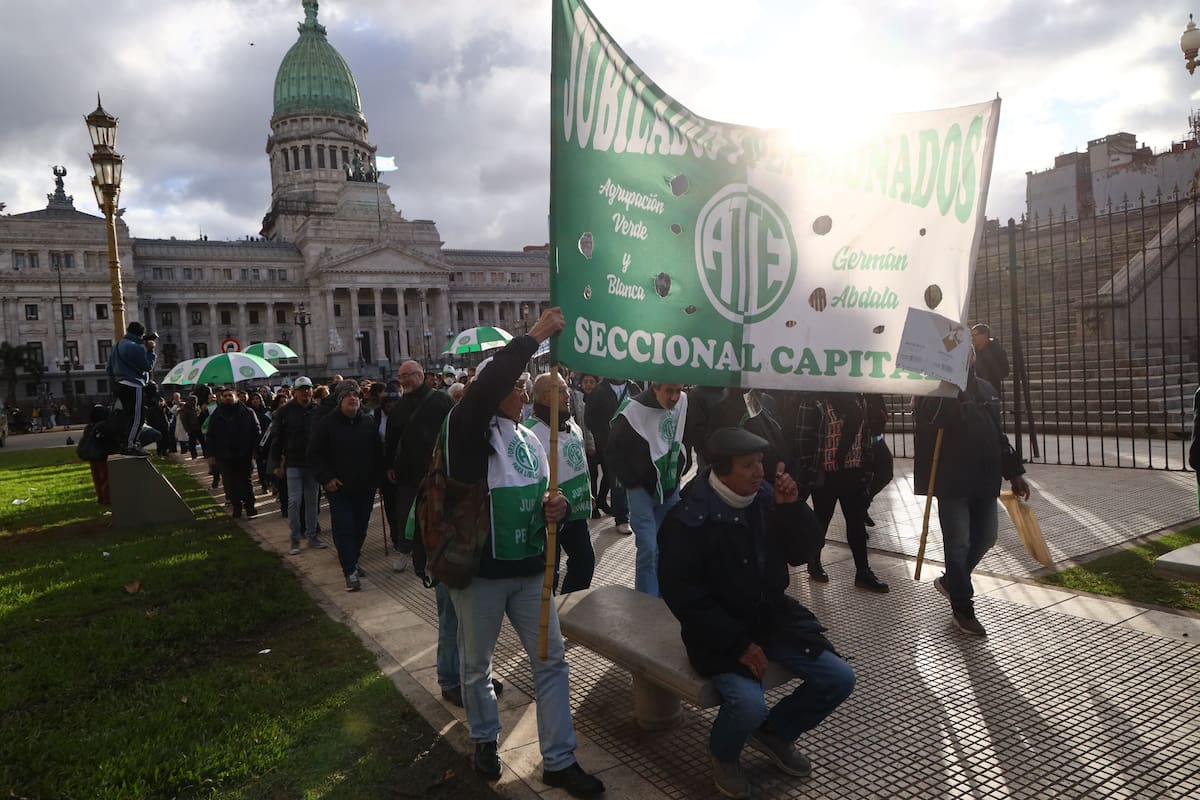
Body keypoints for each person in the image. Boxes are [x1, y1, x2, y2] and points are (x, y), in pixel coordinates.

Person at [442, 307, 604, 797]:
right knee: (477, 665)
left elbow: (539, 496)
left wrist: (551, 508)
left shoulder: (531, 442)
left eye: (524, 388)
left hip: (533, 569)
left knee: (551, 662)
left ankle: (558, 759)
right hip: (484, 572)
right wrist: (532, 337)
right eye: (517, 388)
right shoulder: (467, 428)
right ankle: (485, 739)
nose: (523, 392)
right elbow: (488, 386)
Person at [659, 428, 855, 799]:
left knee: (839, 678)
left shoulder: (766, 499)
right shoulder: (688, 518)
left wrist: (791, 508)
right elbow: (684, 598)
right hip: (718, 634)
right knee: (748, 704)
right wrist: (737, 644)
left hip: (771, 618)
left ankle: (775, 733)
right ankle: (724, 754)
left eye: (760, 463)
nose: (759, 472)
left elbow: (801, 553)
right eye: (748, 466)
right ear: (721, 470)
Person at [914, 358, 1031, 636]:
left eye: (967, 349)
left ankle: (952, 582)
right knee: (958, 545)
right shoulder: (933, 389)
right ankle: (963, 607)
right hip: (952, 481)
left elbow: (997, 434)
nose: (965, 355)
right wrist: (950, 385)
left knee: (987, 537)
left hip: (984, 479)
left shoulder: (986, 388)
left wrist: (1014, 472)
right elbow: (934, 419)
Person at [790, 392, 889, 592]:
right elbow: (803, 441)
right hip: (826, 475)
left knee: (856, 523)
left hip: (853, 473)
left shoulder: (857, 400)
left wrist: (866, 468)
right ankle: (814, 561)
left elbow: (865, 436)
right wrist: (813, 470)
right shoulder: (814, 402)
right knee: (822, 520)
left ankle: (863, 571)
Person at [606, 381, 688, 596]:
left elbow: (681, 439)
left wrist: (679, 468)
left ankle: (663, 595)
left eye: (679, 391)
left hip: (670, 486)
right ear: (655, 388)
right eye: (669, 390)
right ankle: (646, 601)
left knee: (667, 546)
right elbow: (613, 452)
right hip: (642, 490)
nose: (674, 397)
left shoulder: (682, 403)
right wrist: (633, 482)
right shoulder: (632, 411)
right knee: (648, 550)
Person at [307, 381, 382, 591]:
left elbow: (377, 453)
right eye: (348, 395)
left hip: (365, 487)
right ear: (340, 400)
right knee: (344, 528)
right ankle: (349, 570)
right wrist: (326, 478)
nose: (353, 398)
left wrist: (378, 478)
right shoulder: (326, 424)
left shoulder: (368, 423)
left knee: (360, 528)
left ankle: (354, 559)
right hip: (339, 489)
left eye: (356, 395)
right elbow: (315, 454)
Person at [526, 372, 595, 593]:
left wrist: (586, 492)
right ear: (546, 396)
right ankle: (546, 621)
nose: (568, 395)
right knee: (549, 574)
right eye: (562, 390)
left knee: (584, 562)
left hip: (575, 512)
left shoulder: (570, 424)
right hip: (548, 516)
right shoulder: (530, 433)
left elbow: (577, 461)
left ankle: (564, 610)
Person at [384, 360, 454, 573]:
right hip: (408, 473)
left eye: (408, 375)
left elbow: (454, 429)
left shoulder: (442, 400)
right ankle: (405, 552)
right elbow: (391, 439)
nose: (403, 380)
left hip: (437, 471)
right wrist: (389, 464)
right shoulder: (399, 407)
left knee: (437, 515)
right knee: (406, 517)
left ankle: (437, 554)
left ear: (420, 376)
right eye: (401, 376)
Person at [270, 376, 328, 554]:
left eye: (309, 388)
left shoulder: (319, 411)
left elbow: (325, 438)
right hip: (293, 463)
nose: (306, 392)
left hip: (313, 464)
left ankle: (311, 536)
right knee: (294, 501)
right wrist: (276, 463)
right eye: (302, 389)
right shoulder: (285, 411)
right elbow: (277, 439)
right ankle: (295, 538)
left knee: (312, 501)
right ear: (294, 392)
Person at [585, 377, 636, 532]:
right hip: (609, 444)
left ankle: (614, 506)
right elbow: (589, 418)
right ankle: (622, 518)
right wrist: (602, 436)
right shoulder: (599, 391)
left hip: (630, 442)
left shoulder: (633, 388)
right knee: (617, 480)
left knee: (626, 480)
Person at [205, 386, 262, 518]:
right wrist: (211, 454)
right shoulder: (217, 414)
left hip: (244, 453)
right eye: (225, 396)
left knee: (245, 481)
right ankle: (237, 507)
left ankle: (250, 506)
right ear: (221, 398)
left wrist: (254, 449)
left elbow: (256, 431)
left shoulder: (247, 412)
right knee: (230, 483)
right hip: (224, 455)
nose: (228, 398)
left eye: (230, 395)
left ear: (235, 396)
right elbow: (211, 435)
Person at [106, 321, 158, 454]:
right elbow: (147, 367)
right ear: (140, 334)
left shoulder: (116, 346)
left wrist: (115, 384)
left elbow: (109, 369)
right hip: (133, 385)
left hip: (119, 385)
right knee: (137, 417)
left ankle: (126, 443)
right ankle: (131, 445)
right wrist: (151, 351)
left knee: (128, 416)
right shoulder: (136, 347)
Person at [971, 324, 1010, 402]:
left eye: (975, 335)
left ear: (984, 335)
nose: (973, 338)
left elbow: (1005, 371)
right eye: (972, 335)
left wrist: (991, 375)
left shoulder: (996, 350)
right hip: (975, 391)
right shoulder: (972, 351)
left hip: (992, 389)